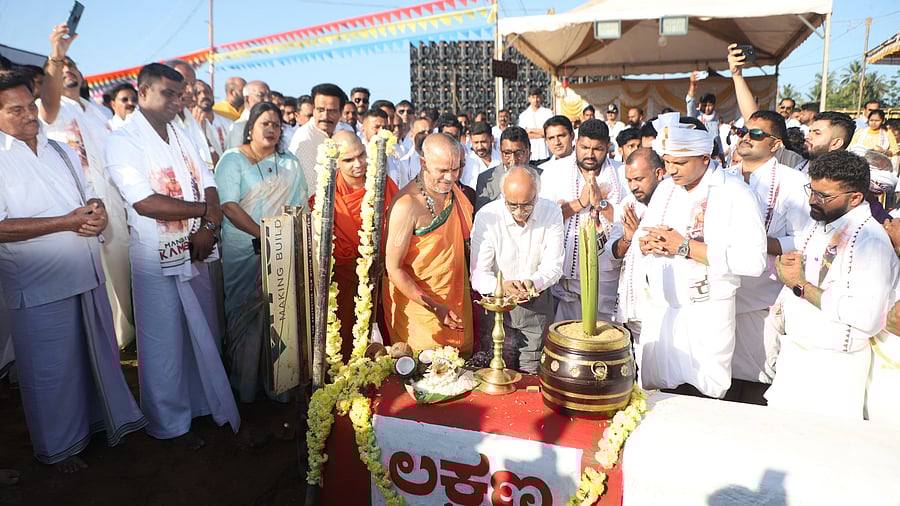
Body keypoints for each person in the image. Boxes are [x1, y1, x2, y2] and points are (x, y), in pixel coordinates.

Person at [0, 68, 146, 472]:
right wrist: (65, 222)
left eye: (31, 105)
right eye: (17, 110)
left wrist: (96, 213)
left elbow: (89, 196)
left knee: (93, 360)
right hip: (38, 285)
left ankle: (99, 425)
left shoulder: (59, 148)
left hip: (85, 274)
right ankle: (59, 449)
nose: (30, 114)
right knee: (50, 372)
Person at [106, 63, 240, 447]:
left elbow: (209, 179)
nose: (176, 101)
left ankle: (200, 407)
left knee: (200, 334)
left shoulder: (181, 132)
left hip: (197, 249)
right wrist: (205, 214)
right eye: (168, 93)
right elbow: (145, 202)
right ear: (142, 91)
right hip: (155, 256)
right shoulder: (123, 139)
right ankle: (168, 425)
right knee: (163, 342)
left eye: (180, 95)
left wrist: (208, 227)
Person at [635, 113, 767, 399]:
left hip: (706, 315)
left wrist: (684, 247)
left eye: (680, 163)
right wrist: (648, 243)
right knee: (659, 397)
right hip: (663, 310)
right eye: (667, 162)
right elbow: (646, 234)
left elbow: (754, 261)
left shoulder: (736, 193)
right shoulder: (667, 189)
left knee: (700, 398)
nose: (672, 170)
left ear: (706, 158)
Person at [766, 150, 899, 419]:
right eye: (812, 191)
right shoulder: (825, 221)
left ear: (855, 197)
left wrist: (799, 285)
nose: (813, 201)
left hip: (833, 368)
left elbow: (868, 317)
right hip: (799, 355)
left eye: (824, 196)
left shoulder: (869, 240)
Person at [39, 24, 135, 349]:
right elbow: (48, 105)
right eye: (63, 68)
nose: (69, 71)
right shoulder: (48, 110)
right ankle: (98, 341)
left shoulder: (98, 112)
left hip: (114, 202)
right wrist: (57, 54)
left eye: (73, 66)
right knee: (90, 275)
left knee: (121, 271)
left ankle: (123, 338)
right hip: (77, 205)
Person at [214, 102, 308, 402]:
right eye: (264, 123)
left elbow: (299, 205)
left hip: (281, 250)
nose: (270, 129)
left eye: (276, 125)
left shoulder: (290, 162)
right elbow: (228, 206)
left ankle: (278, 385)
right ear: (251, 127)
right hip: (244, 249)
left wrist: (280, 241)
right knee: (244, 314)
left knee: (279, 314)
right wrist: (264, 236)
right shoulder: (233, 160)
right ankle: (244, 387)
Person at [724, 110, 811, 397]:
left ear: (775, 145)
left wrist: (758, 244)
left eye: (757, 134)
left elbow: (803, 239)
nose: (747, 137)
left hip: (763, 300)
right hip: (721, 293)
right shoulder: (723, 178)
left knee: (752, 384)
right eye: (743, 131)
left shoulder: (793, 183)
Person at [383, 133, 474, 355]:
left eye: (456, 169)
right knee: (422, 377)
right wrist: (434, 307)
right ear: (423, 163)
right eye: (442, 170)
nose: (451, 177)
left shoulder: (454, 194)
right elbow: (393, 268)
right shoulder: (407, 205)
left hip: (457, 300)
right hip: (419, 311)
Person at [311, 130, 398, 360]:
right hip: (344, 283)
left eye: (361, 155)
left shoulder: (383, 184)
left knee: (391, 342)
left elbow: (399, 228)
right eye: (348, 160)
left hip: (384, 276)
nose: (358, 164)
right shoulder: (326, 195)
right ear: (336, 162)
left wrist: (383, 260)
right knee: (346, 345)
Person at [470, 165, 563, 374]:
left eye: (527, 205)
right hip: (497, 311)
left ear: (537, 196)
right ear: (503, 196)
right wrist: (501, 287)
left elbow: (554, 265)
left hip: (536, 308)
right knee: (495, 373)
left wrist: (532, 284)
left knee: (531, 376)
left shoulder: (551, 212)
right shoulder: (488, 216)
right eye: (512, 205)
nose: (520, 212)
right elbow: (477, 275)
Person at [539, 119, 628, 323]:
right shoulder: (555, 172)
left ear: (607, 147)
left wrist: (601, 204)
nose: (589, 154)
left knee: (604, 339)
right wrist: (580, 203)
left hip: (608, 276)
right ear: (576, 143)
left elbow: (630, 223)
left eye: (597, 149)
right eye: (584, 147)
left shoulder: (622, 174)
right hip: (565, 278)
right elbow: (543, 220)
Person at [610, 149, 666, 340]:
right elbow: (613, 252)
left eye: (639, 179)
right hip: (634, 305)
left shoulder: (673, 203)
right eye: (629, 180)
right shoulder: (629, 204)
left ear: (658, 173)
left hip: (664, 304)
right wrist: (629, 237)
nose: (633, 186)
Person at [475, 126, 531, 214]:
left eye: (518, 153)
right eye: (507, 153)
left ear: (528, 152)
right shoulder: (485, 179)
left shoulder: (541, 176)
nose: (513, 159)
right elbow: (481, 214)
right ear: (500, 152)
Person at [225, 80, 271, 150]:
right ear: (247, 99)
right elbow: (235, 156)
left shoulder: (275, 123)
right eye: (261, 95)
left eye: (269, 96)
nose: (267, 100)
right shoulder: (239, 127)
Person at [193, 80, 232, 161]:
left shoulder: (228, 123)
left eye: (206, 92)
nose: (203, 95)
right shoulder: (190, 125)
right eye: (198, 93)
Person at [686, 71, 722, 156]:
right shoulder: (694, 115)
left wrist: (722, 157)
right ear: (699, 105)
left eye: (709, 105)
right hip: (697, 153)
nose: (707, 108)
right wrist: (692, 84)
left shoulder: (715, 120)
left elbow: (718, 140)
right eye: (704, 105)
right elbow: (690, 101)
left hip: (712, 155)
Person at [461, 120, 500, 191]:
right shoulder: (465, 163)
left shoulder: (501, 160)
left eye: (483, 142)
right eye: (476, 142)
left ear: (491, 139)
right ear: (470, 141)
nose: (480, 147)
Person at [518, 86, 553, 162]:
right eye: (533, 97)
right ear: (529, 99)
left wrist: (531, 130)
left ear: (541, 98)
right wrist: (541, 133)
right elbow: (523, 135)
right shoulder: (524, 115)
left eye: (537, 97)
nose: (536, 100)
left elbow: (549, 132)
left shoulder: (547, 113)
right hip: (531, 152)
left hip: (544, 150)